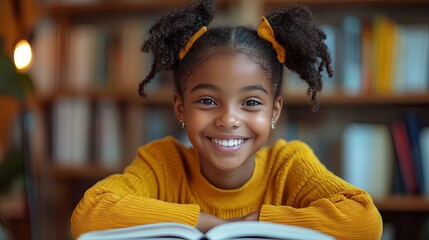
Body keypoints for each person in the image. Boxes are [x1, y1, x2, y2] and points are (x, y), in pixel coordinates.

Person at [70, 0, 382, 239]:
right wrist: (208, 223)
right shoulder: (162, 163)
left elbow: (364, 220)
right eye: (207, 101)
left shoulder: (289, 165)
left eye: (251, 102)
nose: (229, 119)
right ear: (180, 107)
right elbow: (89, 215)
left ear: (274, 111)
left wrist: (250, 223)